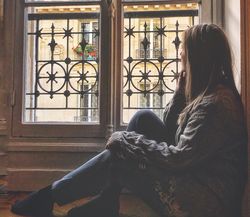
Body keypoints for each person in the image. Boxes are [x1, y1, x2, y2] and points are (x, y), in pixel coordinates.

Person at [11, 24, 247, 217]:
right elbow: (171, 128)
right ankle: (104, 200)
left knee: (122, 157)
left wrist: (127, 141)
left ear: (199, 60)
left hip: (204, 201)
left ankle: (54, 195)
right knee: (142, 119)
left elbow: (179, 158)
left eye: (184, 53)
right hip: (196, 177)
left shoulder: (215, 106)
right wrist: (179, 92)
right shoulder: (210, 94)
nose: (180, 56)